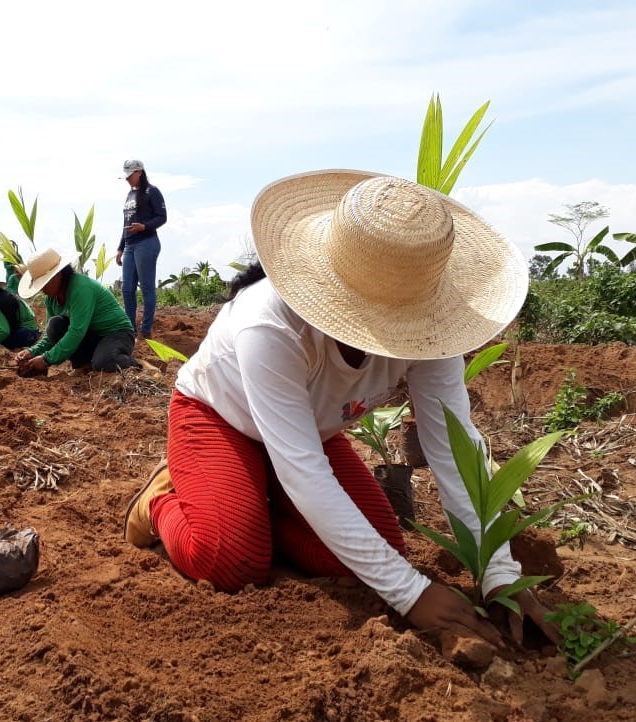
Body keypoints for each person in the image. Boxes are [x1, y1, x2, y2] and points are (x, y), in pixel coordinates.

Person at [123, 170, 560, 646]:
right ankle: (160, 502)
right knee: (234, 561)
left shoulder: (430, 333)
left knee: (379, 551)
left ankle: (252, 502)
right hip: (220, 417)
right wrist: (411, 594)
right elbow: (305, 471)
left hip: (307, 434)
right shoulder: (268, 324)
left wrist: (499, 573)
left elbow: (453, 450)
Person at [15, 248, 140, 376]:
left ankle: (138, 366)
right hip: (92, 335)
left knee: (104, 363)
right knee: (55, 325)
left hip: (117, 333)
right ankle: (84, 365)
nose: (41, 289)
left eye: (44, 283)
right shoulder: (51, 299)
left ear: (57, 275)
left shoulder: (81, 288)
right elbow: (50, 336)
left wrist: (46, 360)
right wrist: (33, 352)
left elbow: (76, 332)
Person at [115, 159, 167, 340]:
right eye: (126, 176)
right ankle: (130, 328)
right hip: (129, 245)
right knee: (127, 289)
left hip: (146, 242)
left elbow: (162, 217)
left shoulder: (152, 192)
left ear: (139, 172)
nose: (128, 179)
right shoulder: (130, 194)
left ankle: (145, 330)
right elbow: (126, 223)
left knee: (146, 288)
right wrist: (120, 247)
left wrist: (144, 226)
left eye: (130, 176)